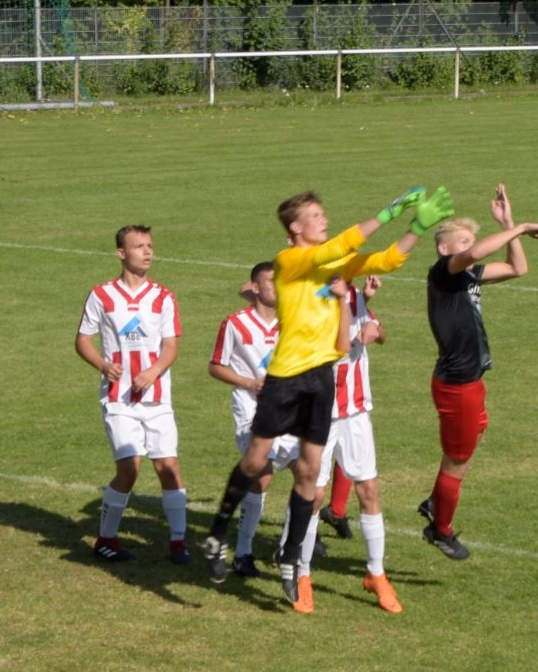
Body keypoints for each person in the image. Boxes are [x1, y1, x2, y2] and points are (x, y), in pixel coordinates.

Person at [204, 186, 455, 609]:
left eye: (324, 214)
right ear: (295, 227)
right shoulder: (289, 261)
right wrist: (389, 211)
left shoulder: (334, 266)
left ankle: (291, 560)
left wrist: (415, 228)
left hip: (320, 381)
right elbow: (338, 247)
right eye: (316, 216)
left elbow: (385, 260)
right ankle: (217, 533)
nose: (324, 220)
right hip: (286, 376)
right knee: (255, 459)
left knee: (309, 471)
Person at [418, 184, 538, 561]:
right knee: (458, 459)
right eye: (462, 241)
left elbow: (518, 268)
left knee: (475, 434)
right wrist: (521, 228)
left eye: (470, 240)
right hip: (457, 384)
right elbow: (474, 253)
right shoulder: (444, 271)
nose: (470, 247)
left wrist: (508, 225)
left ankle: (435, 501)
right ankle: (440, 529)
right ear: (444, 249)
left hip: (471, 379)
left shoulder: (469, 276)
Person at [281, 275, 403, 613]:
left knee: (369, 489)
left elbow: (378, 332)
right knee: (314, 495)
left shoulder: (352, 294)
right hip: (318, 412)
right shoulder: (307, 300)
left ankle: (376, 573)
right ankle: (302, 574)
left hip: (356, 410)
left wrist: (376, 329)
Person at [75, 225, 189, 565]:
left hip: (157, 398)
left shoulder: (163, 297)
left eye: (150, 245)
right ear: (121, 253)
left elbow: (171, 346)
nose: (147, 251)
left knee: (169, 467)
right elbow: (83, 340)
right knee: (130, 468)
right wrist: (102, 364)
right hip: (119, 398)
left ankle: (179, 543)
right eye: (139, 246)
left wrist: (153, 372)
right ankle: (105, 538)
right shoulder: (102, 295)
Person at [203, 262, 298, 581]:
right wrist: (248, 382)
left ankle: (289, 548)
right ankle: (243, 552)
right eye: (271, 281)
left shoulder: (291, 321)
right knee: (262, 476)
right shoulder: (235, 323)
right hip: (250, 410)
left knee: (310, 479)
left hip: (288, 410)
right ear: (255, 287)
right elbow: (215, 366)